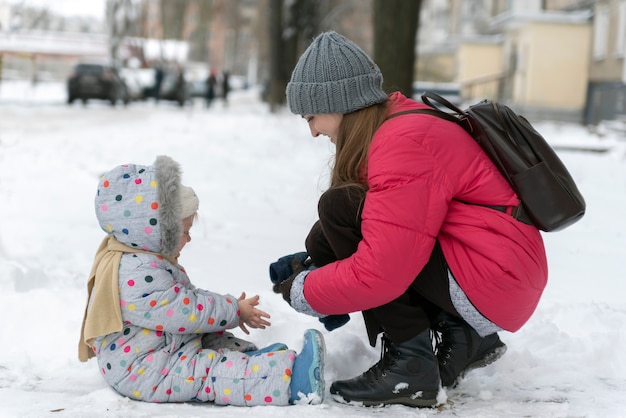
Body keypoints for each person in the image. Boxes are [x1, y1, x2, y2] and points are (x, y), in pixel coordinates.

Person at [271, 31, 548, 408]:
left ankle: (410, 367)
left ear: (337, 103)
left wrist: (305, 290)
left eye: (312, 116)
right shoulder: (399, 125)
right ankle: (465, 337)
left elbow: (383, 271)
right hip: (497, 267)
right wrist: (315, 259)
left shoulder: (403, 143)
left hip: (495, 276)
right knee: (331, 226)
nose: (313, 130)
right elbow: (385, 222)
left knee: (339, 207)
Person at [78, 155, 325, 406]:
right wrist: (232, 310)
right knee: (207, 373)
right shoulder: (137, 271)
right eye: (184, 232)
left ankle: (253, 362)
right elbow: (184, 311)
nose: (189, 239)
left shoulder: (142, 259)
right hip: (144, 368)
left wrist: (226, 310)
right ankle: (291, 381)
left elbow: (186, 297)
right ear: (158, 231)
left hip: (158, 346)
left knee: (209, 334)